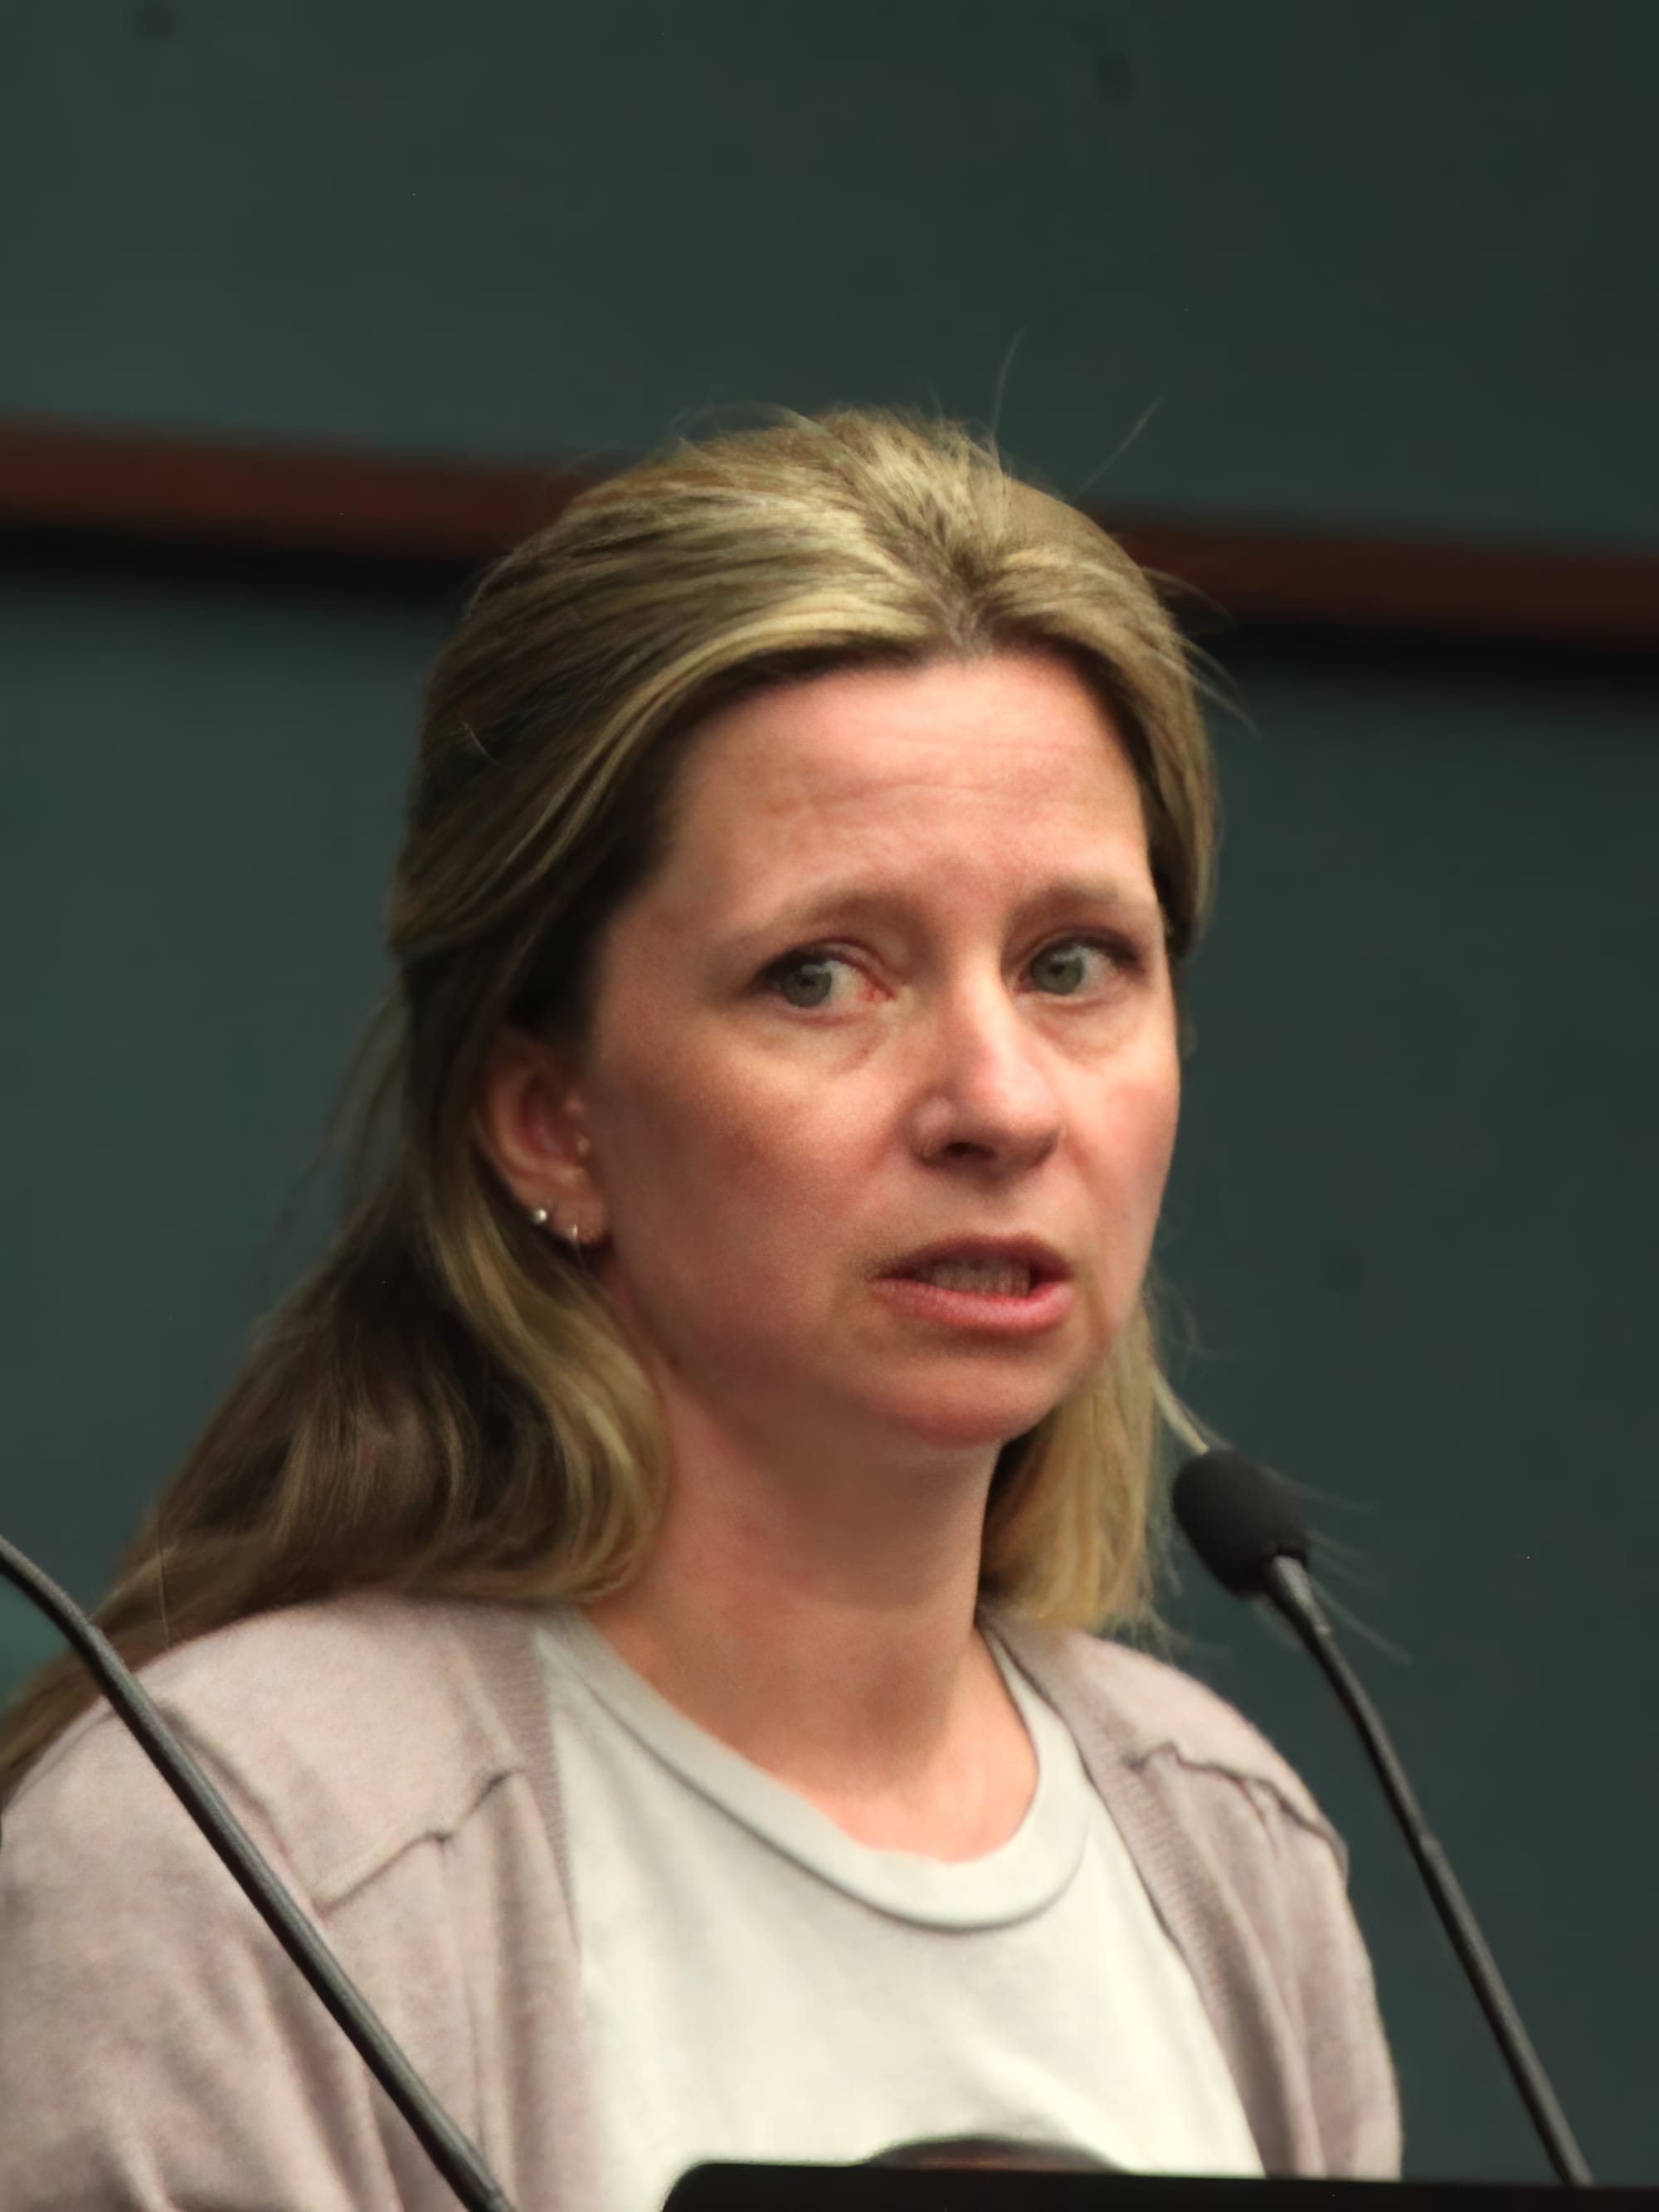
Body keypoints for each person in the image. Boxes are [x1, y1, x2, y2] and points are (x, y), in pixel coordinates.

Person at [0, 406, 1399, 2210]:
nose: (1000, 1100)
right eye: (821, 976)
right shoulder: (241, 1858)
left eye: (1073, 964)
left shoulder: (1226, 1845)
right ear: (549, 1118)